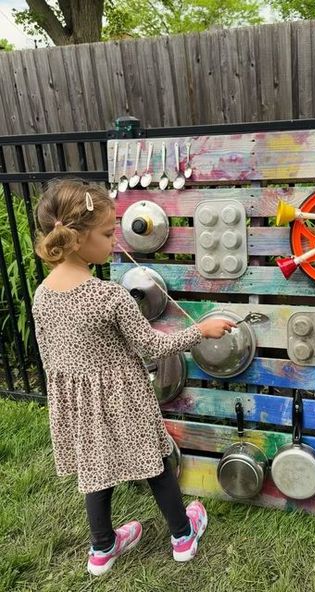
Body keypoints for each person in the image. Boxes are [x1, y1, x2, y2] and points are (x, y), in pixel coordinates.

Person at [32, 179, 236, 576]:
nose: (114, 241)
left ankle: (102, 549)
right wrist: (201, 331)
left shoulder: (42, 294)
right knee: (156, 463)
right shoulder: (109, 295)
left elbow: (49, 358)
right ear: (75, 238)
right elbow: (151, 348)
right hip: (123, 396)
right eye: (108, 233)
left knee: (97, 468)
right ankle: (182, 536)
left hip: (78, 402)